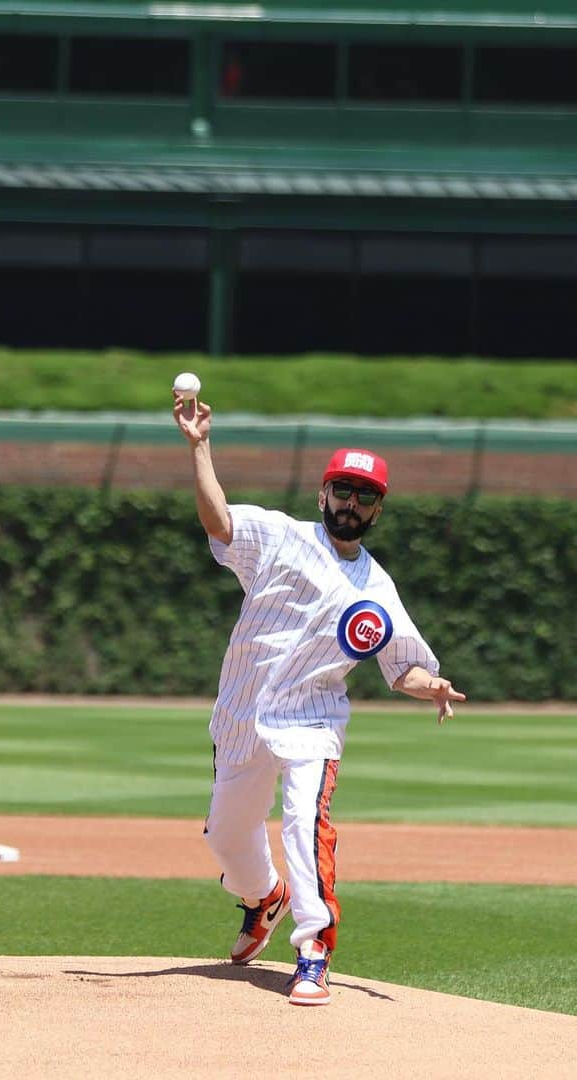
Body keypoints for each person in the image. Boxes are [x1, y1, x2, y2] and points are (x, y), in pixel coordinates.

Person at [173, 391, 465, 1007]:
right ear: (322, 494)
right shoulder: (279, 537)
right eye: (343, 490)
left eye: (365, 496)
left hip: (312, 722)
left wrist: (428, 685)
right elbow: (218, 520)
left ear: (377, 510)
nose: (351, 503)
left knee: (305, 825)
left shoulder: (376, 588)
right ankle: (264, 898)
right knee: (226, 837)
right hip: (242, 715)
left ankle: (313, 949)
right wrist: (200, 447)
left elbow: (401, 666)